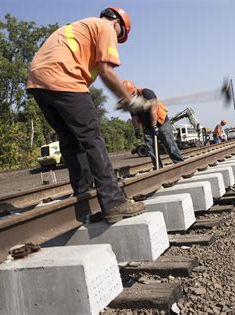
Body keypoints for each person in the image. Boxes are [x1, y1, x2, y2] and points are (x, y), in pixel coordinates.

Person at [27, 8, 149, 224]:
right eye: (120, 37)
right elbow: (106, 71)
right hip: (64, 79)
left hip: (38, 82)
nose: (116, 42)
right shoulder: (105, 27)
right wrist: (130, 100)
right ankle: (114, 203)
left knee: (71, 142)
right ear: (118, 24)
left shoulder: (79, 27)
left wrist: (121, 98)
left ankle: (84, 200)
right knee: (92, 139)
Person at [124, 81, 185, 170]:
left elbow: (153, 110)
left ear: (134, 90)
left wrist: (154, 126)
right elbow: (134, 117)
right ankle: (158, 168)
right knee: (151, 149)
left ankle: (180, 164)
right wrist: (137, 129)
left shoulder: (146, 93)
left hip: (161, 122)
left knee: (169, 144)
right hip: (147, 126)